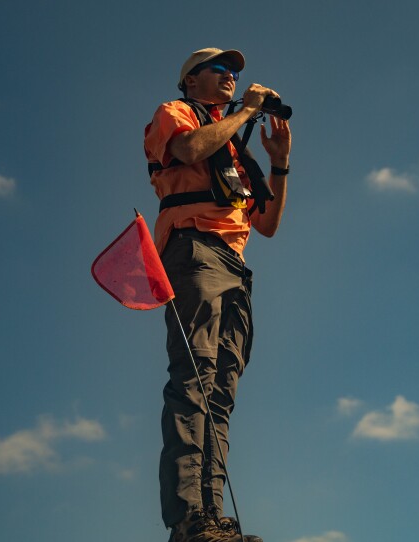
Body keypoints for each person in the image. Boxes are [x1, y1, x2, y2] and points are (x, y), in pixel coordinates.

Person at [144, 48, 291, 542]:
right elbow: (186, 152)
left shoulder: (235, 150)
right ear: (189, 80)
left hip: (235, 265)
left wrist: (280, 165)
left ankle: (213, 518)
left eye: (234, 74)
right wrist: (246, 110)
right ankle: (189, 519)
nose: (230, 78)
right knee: (194, 380)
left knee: (220, 394)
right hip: (194, 250)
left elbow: (266, 225)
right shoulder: (176, 113)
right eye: (220, 71)